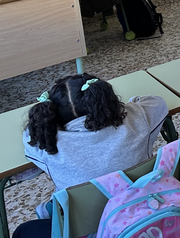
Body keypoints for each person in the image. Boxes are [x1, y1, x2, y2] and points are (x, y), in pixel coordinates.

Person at [23, 73, 168, 216]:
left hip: (85, 226)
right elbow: (159, 103)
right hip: (144, 210)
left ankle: (50, 208)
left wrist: (50, 124)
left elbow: (29, 134)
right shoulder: (136, 119)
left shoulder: (46, 145)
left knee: (24, 230)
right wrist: (127, 108)